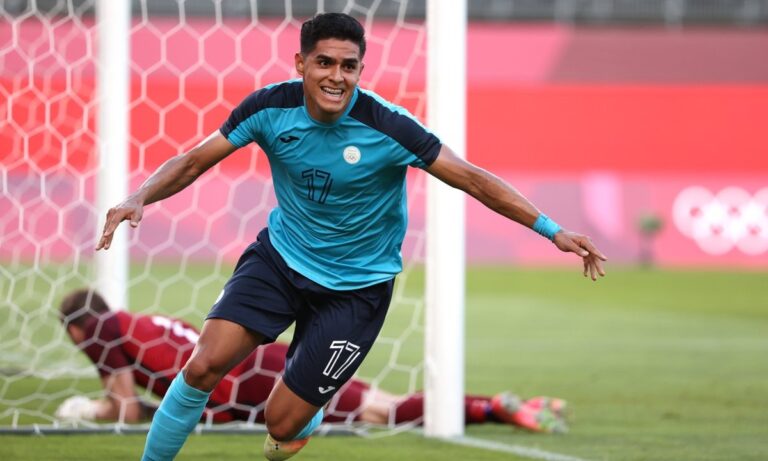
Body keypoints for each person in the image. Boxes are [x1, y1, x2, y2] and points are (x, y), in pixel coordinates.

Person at [96, 12, 606, 461]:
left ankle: (304, 408)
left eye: (349, 66)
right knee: (203, 366)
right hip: (281, 261)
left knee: (280, 427)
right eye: (324, 63)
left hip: (356, 290)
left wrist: (551, 230)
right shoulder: (267, 109)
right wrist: (139, 196)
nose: (336, 77)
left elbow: (472, 178)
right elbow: (194, 160)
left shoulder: (390, 127)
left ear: (361, 70)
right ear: (301, 64)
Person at [56, 288, 569, 434]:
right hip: (265, 359)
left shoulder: (101, 334)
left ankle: (491, 408)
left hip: (254, 386)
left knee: (382, 413)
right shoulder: (131, 322)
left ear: (79, 328)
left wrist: (91, 409)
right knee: (381, 403)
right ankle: (500, 405)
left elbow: (125, 409)